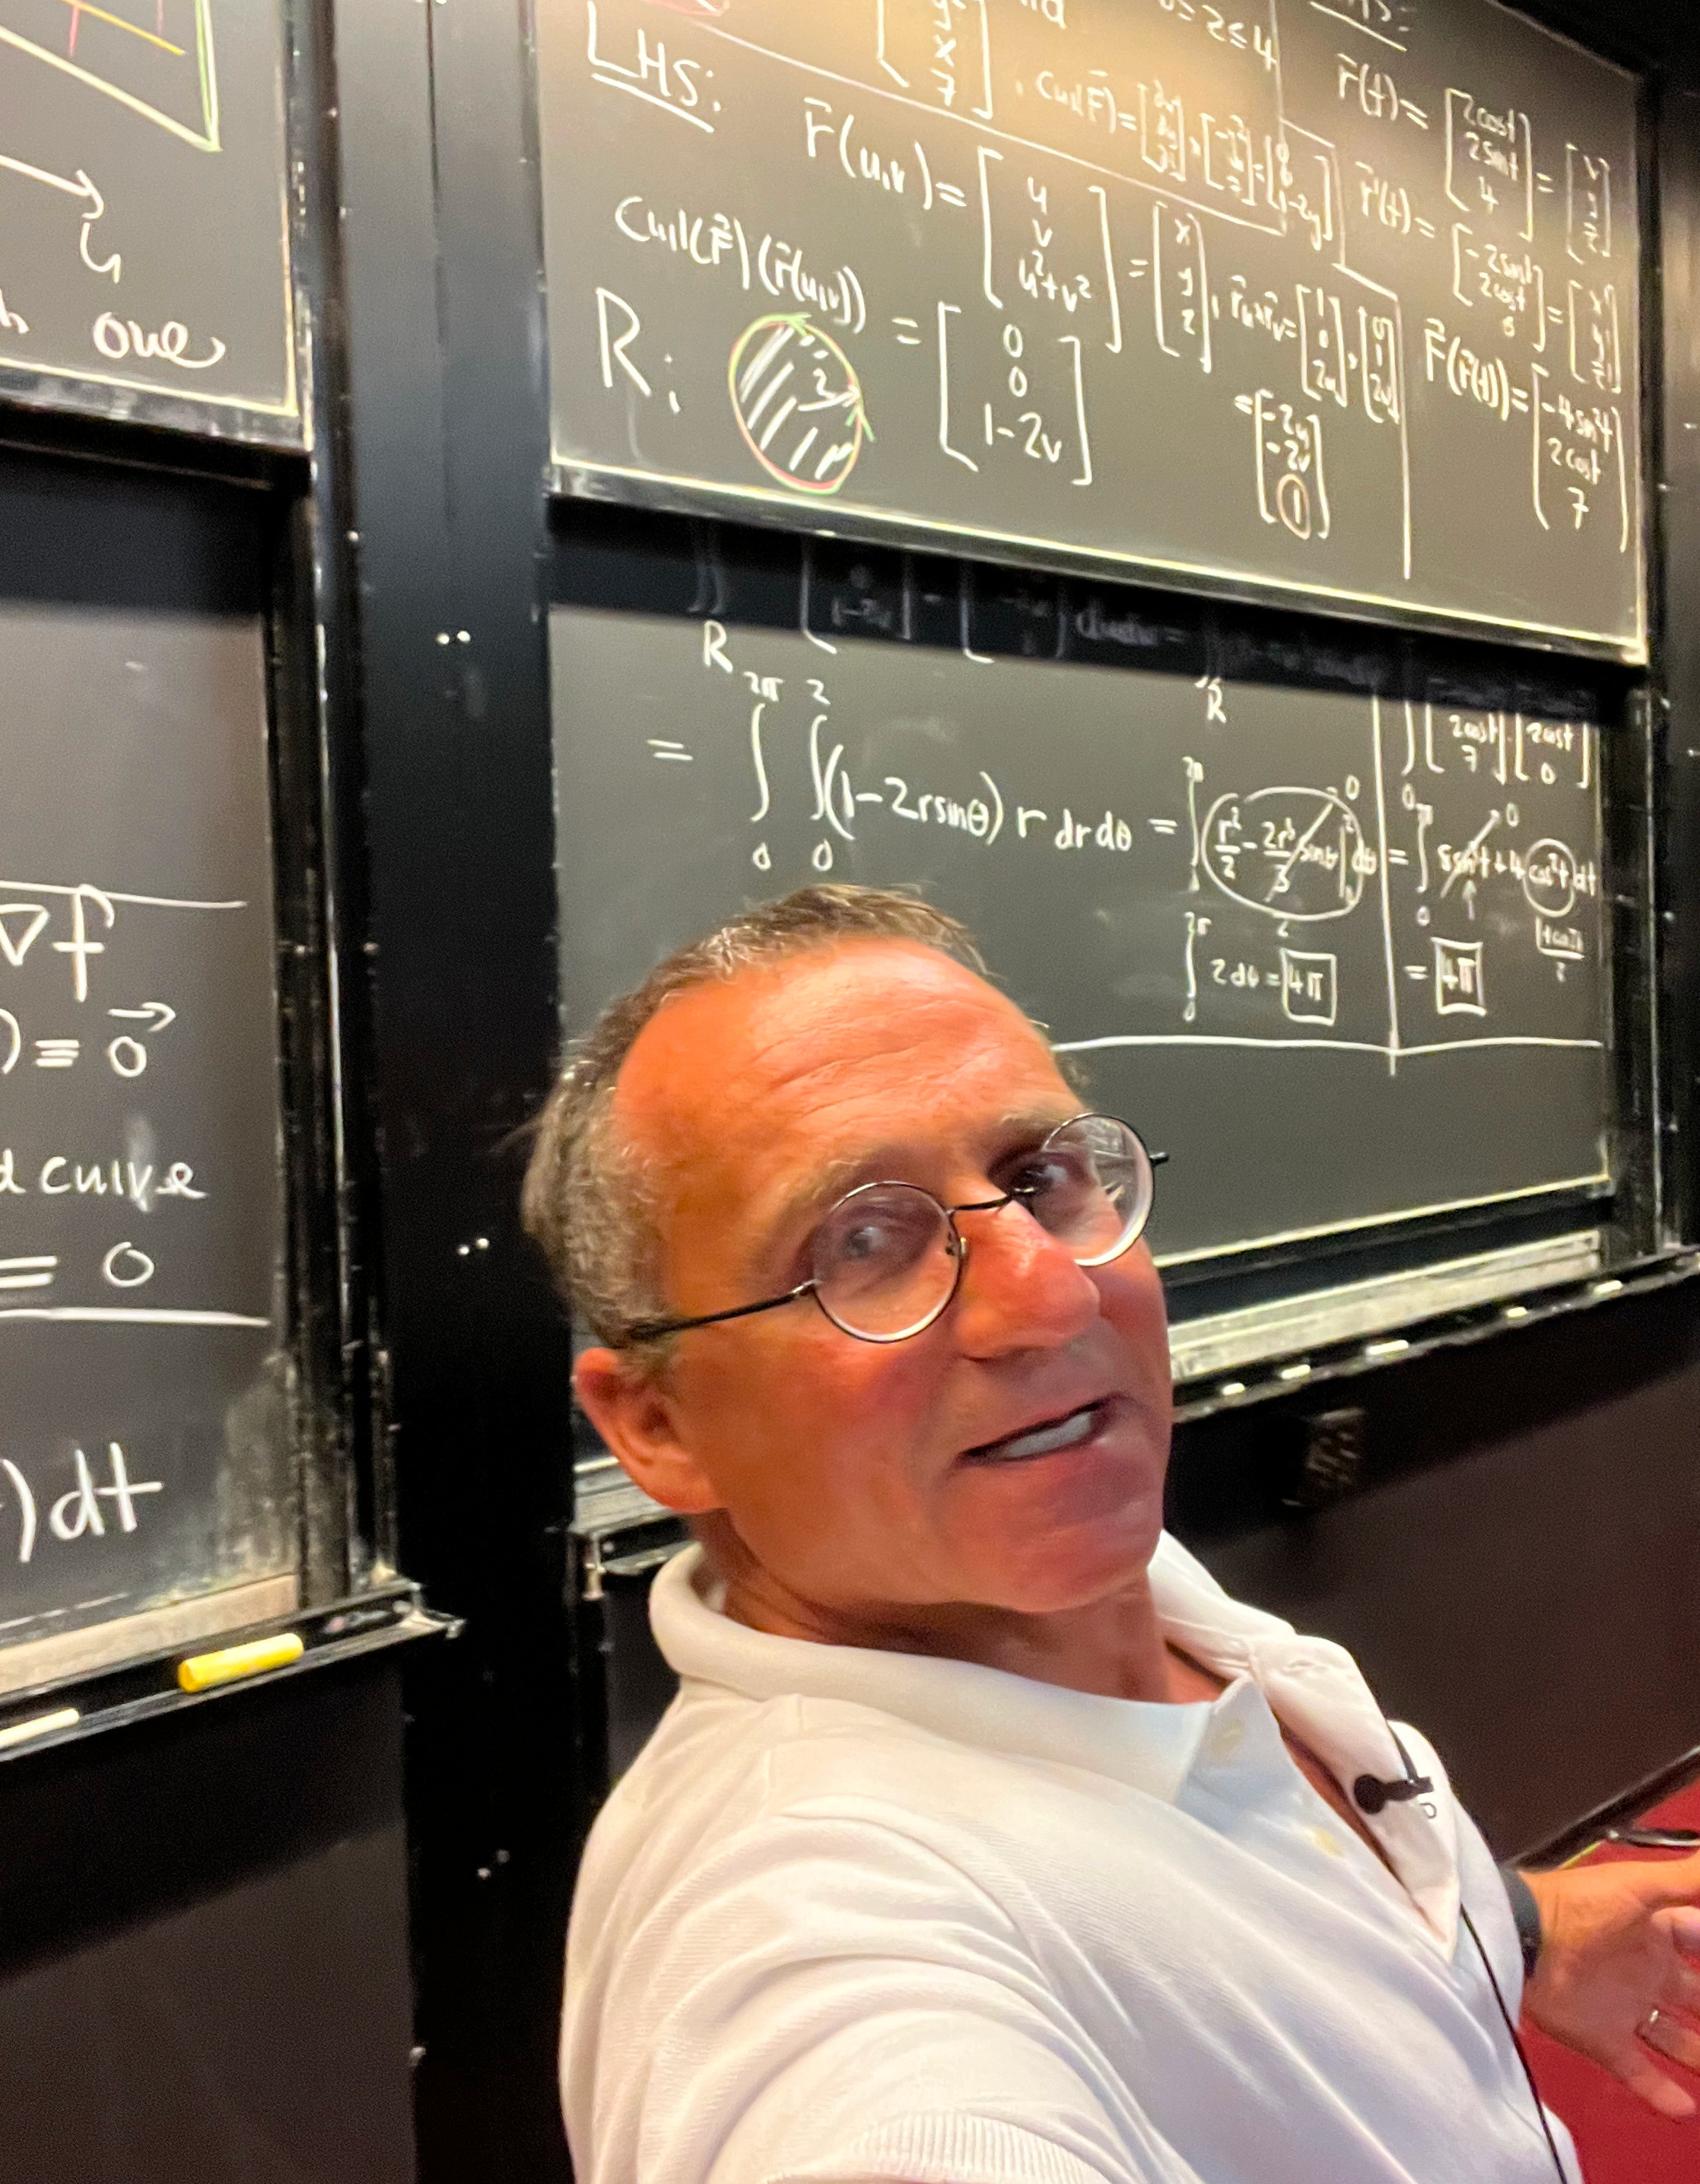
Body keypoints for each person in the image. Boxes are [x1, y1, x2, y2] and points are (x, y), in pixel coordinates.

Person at [526, 884, 1700, 2184]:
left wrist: (1510, 1926)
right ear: (658, 1426)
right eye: (861, 1242)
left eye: (1038, 1179)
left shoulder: (1070, 1578)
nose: (1048, 1292)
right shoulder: (803, 1931)